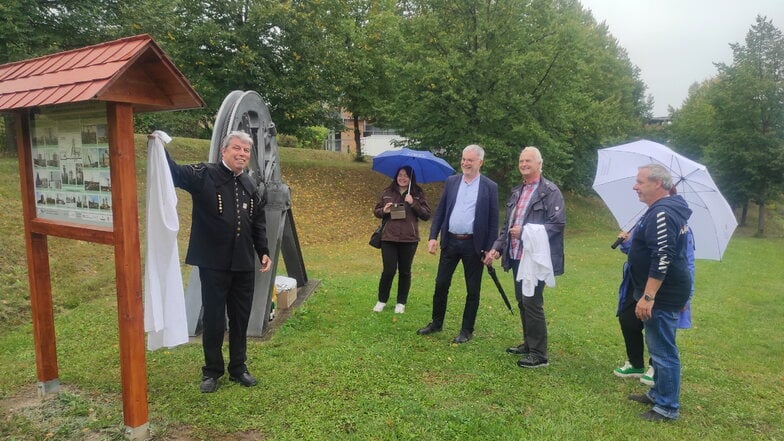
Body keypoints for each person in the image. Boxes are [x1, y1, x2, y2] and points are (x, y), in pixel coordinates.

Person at [165, 130, 272, 393]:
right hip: (214, 263)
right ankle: (212, 370)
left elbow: (257, 222)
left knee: (240, 318)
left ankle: (239, 367)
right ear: (224, 151)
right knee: (213, 319)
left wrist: (264, 250)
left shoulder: (249, 184)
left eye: (246, 151)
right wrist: (159, 146)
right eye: (236, 148)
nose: (241, 154)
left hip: (244, 264)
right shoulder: (204, 174)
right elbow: (175, 173)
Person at [486, 146, 565, 368]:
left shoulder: (550, 191)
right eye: (521, 161)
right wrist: (497, 247)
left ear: (540, 164)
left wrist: (526, 231)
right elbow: (507, 225)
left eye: (528, 161)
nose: (523, 164)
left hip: (536, 258)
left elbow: (557, 224)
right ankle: (529, 343)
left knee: (532, 302)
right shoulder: (517, 192)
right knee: (522, 301)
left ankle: (539, 354)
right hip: (516, 255)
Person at [625, 164, 692, 422]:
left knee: (664, 351)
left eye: (640, 182)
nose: (635, 186)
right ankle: (658, 393)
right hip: (669, 290)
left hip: (662, 294)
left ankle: (667, 407)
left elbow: (663, 257)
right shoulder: (663, 210)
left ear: (658, 184)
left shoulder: (663, 213)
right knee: (658, 346)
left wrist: (649, 296)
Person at [416, 144, 498, 344]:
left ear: (480, 162)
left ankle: (466, 330)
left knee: (473, 289)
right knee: (441, 284)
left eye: (470, 160)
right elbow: (441, 211)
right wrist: (433, 237)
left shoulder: (489, 187)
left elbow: (493, 221)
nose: (465, 163)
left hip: (474, 245)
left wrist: (491, 249)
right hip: (450, 242)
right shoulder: (452, 182)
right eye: (463, 159)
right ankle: (436, 322)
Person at [613, 214, 696, 386]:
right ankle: (635, 364)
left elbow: (687, 262)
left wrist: (686, 296)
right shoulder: (645, 221)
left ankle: (656, 367)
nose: (636, 188)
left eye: (641, 184)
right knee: (628, 319)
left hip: (662, 285)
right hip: (636, 283)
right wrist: (626, 240)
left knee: (657, 326)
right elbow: (636, 251)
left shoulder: (680, 227)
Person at [372, 166, 432, 313]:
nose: (402, 178)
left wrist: (413, 202)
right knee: (389, 270)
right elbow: (377, 211)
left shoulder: (417, 193)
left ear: (411, 178)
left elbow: (426, 215)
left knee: (405, 271)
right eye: (400, 175)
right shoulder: (387, 192)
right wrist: (384, 210)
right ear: (396, 176)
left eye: (406, 176)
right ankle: (381, 300)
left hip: (409, 239)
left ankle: (401, 302)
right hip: (389, 237)